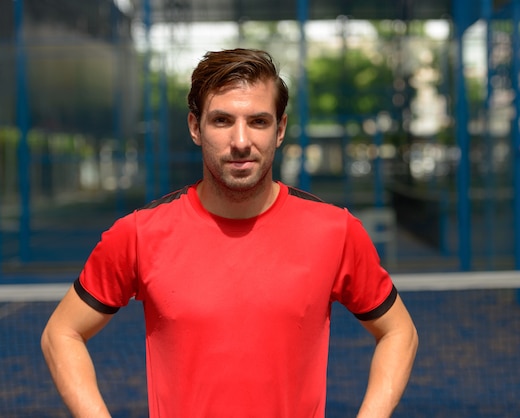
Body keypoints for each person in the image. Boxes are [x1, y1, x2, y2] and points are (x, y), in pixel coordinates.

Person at [41, 48, 418, 418]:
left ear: (280, 129)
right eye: (222, 121)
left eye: (258, 121)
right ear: (195, 127)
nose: (241, 141)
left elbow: (399, 332)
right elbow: (61, 333)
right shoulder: (139, 233)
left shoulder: (335, 231)